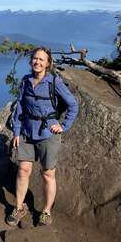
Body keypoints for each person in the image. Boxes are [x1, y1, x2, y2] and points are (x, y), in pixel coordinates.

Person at [6, 46, 78, 227]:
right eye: (35, 59)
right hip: (28, 132)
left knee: (47, 174)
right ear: (31, 61)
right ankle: (19, 207)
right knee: (23, 171)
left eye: (41, 59)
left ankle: (46, 211)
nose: (37, 62)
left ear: (48, 63)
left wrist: (63, 126)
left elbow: (73, 105)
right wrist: (16, 131)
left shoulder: (54, 82)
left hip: (48, 134)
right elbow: (20, 108)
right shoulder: (26, 80)